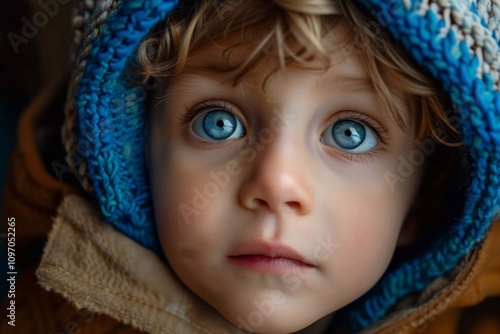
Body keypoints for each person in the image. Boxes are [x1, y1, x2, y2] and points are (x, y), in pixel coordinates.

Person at [1, 0, 499, 333]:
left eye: (351, 133)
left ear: (425, 201)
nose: (277, 184)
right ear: (133, 159)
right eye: (218, 123)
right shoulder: (29, 305)